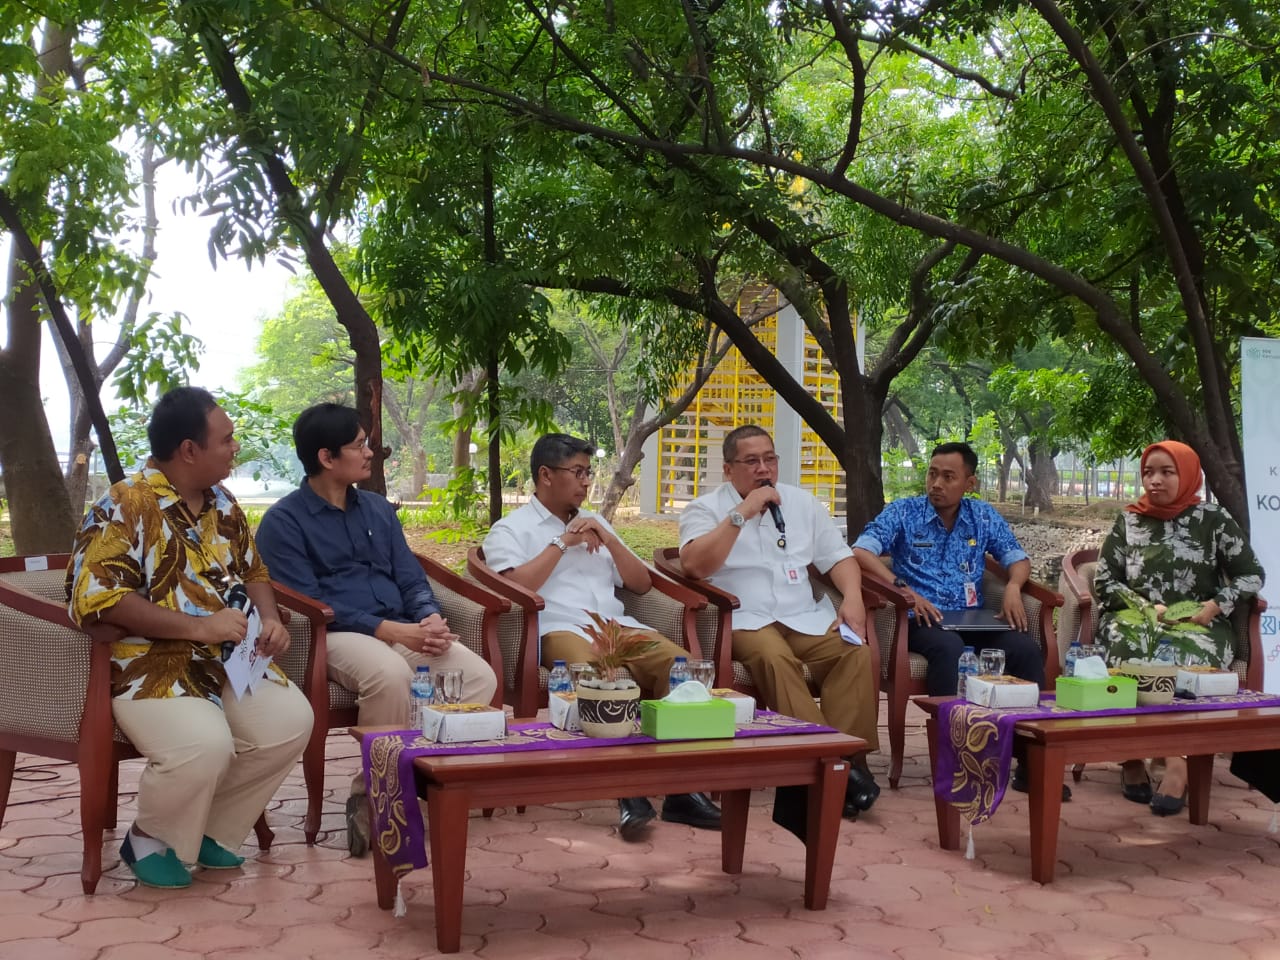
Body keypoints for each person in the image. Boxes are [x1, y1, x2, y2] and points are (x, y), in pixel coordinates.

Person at [65, 387, 314, 890]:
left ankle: (209, 830)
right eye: (226, 440)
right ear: (188, 450)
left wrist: (271, 620)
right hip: (148, 664)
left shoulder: (223, 501)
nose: (235, 447)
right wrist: (200, 626)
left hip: (229, 658)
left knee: (291, 721)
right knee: (205, 744)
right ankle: (150, 839)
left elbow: (253, 569)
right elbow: (97, 597)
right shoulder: (126, 502)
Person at [256, 403, 498, 855]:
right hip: (335, 634)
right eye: (359, 446)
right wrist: (390, 631)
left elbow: (409, 576)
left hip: (399, 626)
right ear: (327, 458)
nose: (371, 454)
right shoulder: (284, 522)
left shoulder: (378, 510)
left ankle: (421, 777)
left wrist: (427, 615)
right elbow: (311, 603)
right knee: (389, 674)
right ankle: (374, 794)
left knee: (477, 675)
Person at [482, 433, 721, 840]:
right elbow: (519, 588)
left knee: (683, 669)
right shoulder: (511, 530)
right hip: (560, 627)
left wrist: (608, 536)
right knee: (599, 676)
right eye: (577, 472)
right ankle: (628, 793)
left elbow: (641, 584)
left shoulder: (597, 521)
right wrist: (563, 542)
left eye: (588, 473)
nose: (586, 482)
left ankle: (683, 789)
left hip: (618, 626)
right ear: (545, 475)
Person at [679, 425, 881, 817]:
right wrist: (743, 513)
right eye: (751, 461)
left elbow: (838, 558)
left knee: (852, 652)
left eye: (769, 459)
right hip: (745, 619)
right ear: (728, 469)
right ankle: (826, 766)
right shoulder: (704, 510)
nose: (763, 468)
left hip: (802, 614)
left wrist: (853, 599)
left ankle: (843, 765)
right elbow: (693, 565)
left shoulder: (802, 504)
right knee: (775, 660)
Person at [852, 440, 1068, 800]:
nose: (936, 483)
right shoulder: (904, 512)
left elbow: (1016, 557)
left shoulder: (981, 516)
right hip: (922, 620)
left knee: (1025, 649)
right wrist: (903, 589)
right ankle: (954, 758)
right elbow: (861, 551)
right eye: (932, 474)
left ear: (970, 483)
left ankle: (1030, 762)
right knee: (948, 648)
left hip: (973, 618)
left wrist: (1014, 586)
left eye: (948, 476)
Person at [1094, 440, 1264, 816]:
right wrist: (1144, 607)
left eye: (1166, 472)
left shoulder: (1213, 521)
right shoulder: (1130, 519)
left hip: (1196, 621)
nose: (1154, 480)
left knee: (1183, 656)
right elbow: (1105, 582)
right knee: (1130, 652)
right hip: (1137, 618)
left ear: (1187, 475)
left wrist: (1214, 606)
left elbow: (1252, 575)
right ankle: (1132, 758)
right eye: (1148, 472)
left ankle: (1176, 760)